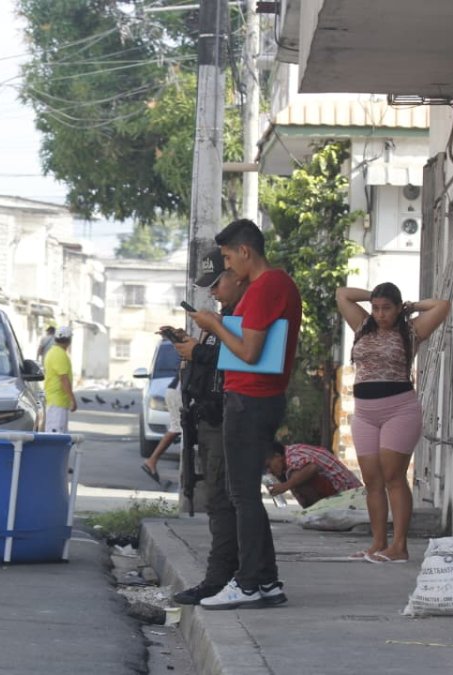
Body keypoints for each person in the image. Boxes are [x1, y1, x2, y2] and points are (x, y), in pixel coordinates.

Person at [190, 219, 301, 610]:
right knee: (244, 495)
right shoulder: (275, 286)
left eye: (226, 257)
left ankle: (249, 582)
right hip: (255, 398)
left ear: (244, 251)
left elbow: (250, 352)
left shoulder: (266, 286)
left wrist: (215, 325)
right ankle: (267, 580)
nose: (227, 266)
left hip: (250, 399)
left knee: (242, 496)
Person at [336, 283, 449, 563]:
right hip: (364, 413)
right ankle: (377, 544)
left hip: (399, 410)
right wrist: (372, 296)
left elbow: (442, 306)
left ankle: (399, 546)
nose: (380, 314)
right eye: (376, 308)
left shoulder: (410, 331)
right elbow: (343, 295)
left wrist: (411, 306)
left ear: (398, 309)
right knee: (372, 480)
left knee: (393, 476)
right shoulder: (363, 326)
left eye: (387, 308)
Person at [169, 251, 250, 605]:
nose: (214, 292)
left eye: (217, 283)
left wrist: (197, 353)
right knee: (218, 499)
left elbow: (241, 358)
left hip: (226, 418)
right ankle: (227, 575)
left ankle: (221, 578)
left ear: (237, 274)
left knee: (221, 499)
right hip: (209, 418)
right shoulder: (224, 318)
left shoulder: (239, 318)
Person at [266, 442, 363, 509]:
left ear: (277, 456)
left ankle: (321, 510)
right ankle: (317, 510)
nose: (270, 471)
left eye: (269, 465)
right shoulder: (290, 455)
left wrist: (285, 486)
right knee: (293, 479)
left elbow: (311, 468)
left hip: (349, 495)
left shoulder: (292, 456)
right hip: (349, 494)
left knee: (296, 478)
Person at [140, 375, 181, 485]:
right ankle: (151, 461)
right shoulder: (189, 360)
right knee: (176, 428)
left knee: (177, 428)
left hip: (175, 391)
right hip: (177, 392)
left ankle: (152, 461)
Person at [42, 325, 78, 433]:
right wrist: (72, 399)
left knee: (57, 436)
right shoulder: (59, 354)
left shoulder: (53, 352)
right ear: (69, 340)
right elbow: (64, 379)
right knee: (55, 437)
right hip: (57, 403)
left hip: (56, 401)